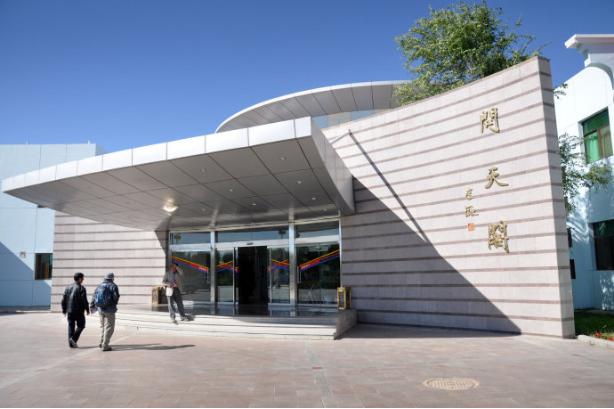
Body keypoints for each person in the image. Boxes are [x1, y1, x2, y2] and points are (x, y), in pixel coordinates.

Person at [91, 272, 120, 352]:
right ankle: (105, 345)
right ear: (112, 278)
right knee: (109, 327)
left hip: (100, 309)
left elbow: (94, 296)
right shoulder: (113, 286)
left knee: (104, 326)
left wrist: (92, 306)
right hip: (109, 310)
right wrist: (114, 303)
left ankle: (101, 342)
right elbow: (115, 298)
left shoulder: (99, 286)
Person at [61, 272, 90, 348]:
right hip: (78, 311)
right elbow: (84, 300)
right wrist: (87, 309)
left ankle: (71, 344)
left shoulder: (68, 287)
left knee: (71, 326)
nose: (83, 279)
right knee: (81, 325)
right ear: (79, 279)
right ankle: (73, 339)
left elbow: (63, 299)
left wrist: (64, 310)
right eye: (83, 278)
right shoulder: (81, 288)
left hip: (70, 311)